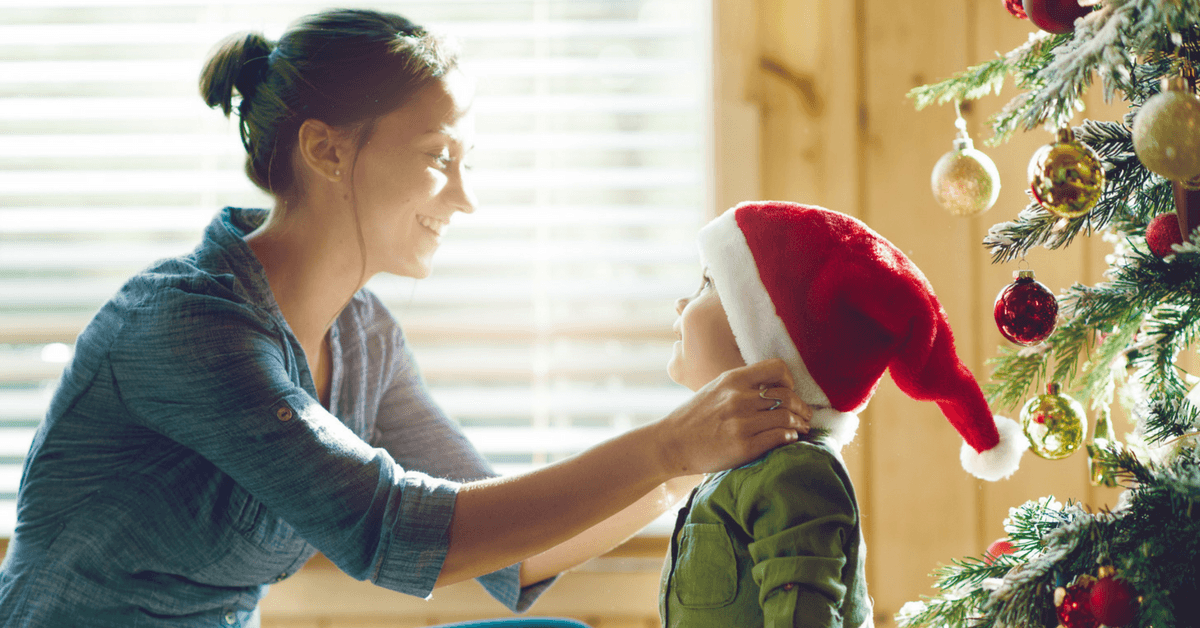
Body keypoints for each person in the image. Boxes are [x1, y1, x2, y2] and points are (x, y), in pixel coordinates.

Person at [0, 10, 813, 627]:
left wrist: (684, 467)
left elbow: (512, 552)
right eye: (437, 158)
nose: (464, 197)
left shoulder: (362, 340)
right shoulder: (189, 327)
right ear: (327, 151)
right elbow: (397, 528)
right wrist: (670, 439)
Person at [658, 201, 1029, 628]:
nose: (681, 302)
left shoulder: (792, 472)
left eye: (709, 284)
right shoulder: (740, 466)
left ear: (770, 353)